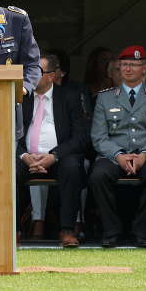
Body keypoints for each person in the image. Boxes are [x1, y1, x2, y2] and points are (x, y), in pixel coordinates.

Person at [89, 45, 146, 248]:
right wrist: (118, 155)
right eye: (124, 64)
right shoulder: (104, 97)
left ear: (145, 68)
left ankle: (142, 231)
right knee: (98, 176)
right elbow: (98, 136)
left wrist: (145, 155)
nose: (128, 68)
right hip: (114, 155)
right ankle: (111, 231)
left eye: (134, 64)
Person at [17, 54, 89, 247]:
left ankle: (67, 231)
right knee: (8, 168)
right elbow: (7, 132)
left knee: (73, 167)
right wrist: (24, 156)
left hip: (58, 157)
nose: (30, 76)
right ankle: (12, 231)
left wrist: (54, 155)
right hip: (26, 158)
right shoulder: (20, 98)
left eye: (36, 72)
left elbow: (81, 137)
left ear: (51, 76)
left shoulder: (70, 97)